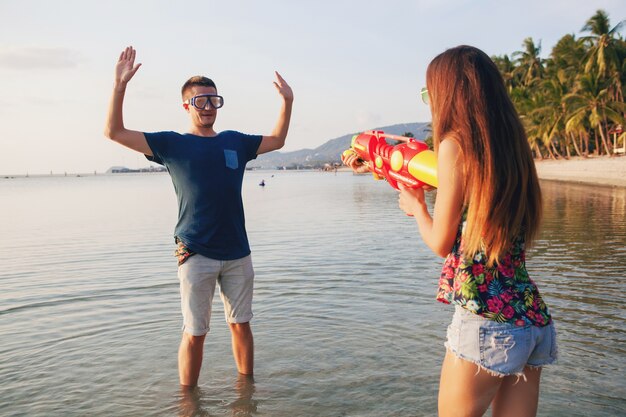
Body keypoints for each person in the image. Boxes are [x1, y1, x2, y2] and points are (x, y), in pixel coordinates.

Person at [343, 45, 556, 417]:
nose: (430, 103)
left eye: (429, 94)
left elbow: (441, 242)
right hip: (532, 319)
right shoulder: (511, 149)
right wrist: (379, 169)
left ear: (449, 94)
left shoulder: (454, 144)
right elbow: (445, 185)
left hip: (486, 320)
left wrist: (416, 209)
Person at [104, 46, 293, 387]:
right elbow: (114, 132)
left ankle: (245, 397)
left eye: (214, 100)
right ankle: (188, 402)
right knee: (195, 333)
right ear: (186, 106)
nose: (208, 107)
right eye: (200, 101)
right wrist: (119, 87)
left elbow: (278, 139)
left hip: (238, 251)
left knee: (242, 325)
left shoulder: (236, 141)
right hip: (195, 251)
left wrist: (287, 101)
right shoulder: (171, 144)